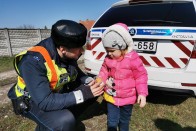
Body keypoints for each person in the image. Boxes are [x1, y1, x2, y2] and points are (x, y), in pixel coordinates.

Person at [7, 19, 104, 131]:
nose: (82, 51)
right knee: (64, 120)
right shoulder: (32, 62)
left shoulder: (65, 50)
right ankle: (55, 123)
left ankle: (59, 120)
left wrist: (88, 80)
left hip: (54, 93)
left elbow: (74, 71)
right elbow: (45, 102)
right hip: (31, 100)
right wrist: (83, 94)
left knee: (94, 89)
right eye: (78, 48)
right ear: (62, 49)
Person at [98, 23, 148, 131]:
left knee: (124, 121)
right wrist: (100, 80)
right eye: (107, 50)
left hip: (128, 98)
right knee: (112, 121)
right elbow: (104, 70)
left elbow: (141, 76)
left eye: (112, 50)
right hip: (112, 96)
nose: (109, 53)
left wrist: (142, 94)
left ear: (122, 46)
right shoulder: (108, 58)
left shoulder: (132, 59)